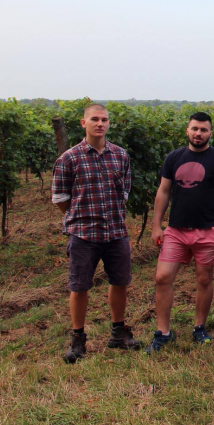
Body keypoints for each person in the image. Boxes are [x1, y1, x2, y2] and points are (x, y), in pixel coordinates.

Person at [52, 103, 140, 363]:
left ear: (109, 123)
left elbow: (124, 191)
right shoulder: (69, 158)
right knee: (79, 286)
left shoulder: (120, 155)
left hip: (115, 231)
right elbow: (60, 199)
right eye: (94, 119)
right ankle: (78, 339)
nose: (99, 124)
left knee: (120, 282)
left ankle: (118, 333)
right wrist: (81, 216)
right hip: (83, 235)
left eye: (104, 119)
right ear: (84, 123)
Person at [147, 112, 214, 353]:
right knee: (162, 277)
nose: (198, 133)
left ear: (210, 133)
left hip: (208, 230)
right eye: (195, 129)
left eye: (203, 130)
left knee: (204, 279)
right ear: (187, 130)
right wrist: (157, 225)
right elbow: (163, 191)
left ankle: (199, 327)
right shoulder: (173, 158)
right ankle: (163, 332)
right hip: (176, 230)